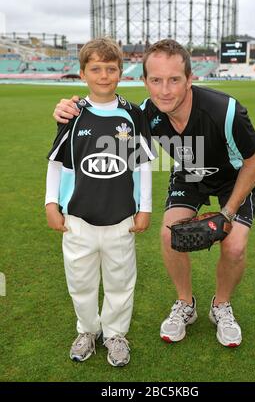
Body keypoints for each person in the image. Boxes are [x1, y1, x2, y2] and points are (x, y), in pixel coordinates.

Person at [53, 39, 255, 348]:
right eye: (156, 80)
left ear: (190, 79)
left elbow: (254, 161)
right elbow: (107, 121)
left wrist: (227, 213)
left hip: (234, 178)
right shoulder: (145, 115)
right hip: (191, 173)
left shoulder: (225, 111)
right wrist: (68, 108)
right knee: (169, 235)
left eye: (174, 80)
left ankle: (221, 306)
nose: (165, 90)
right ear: (144, 80)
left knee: (233, 246)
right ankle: (185, 304)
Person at [46, 37, 155, 367]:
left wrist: (145, 207)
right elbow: (57, 162)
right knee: (80, 281)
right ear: (83, 73)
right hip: (78, 219)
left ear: (122, 72)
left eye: (111, 68)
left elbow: (143, 164)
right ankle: (87, 330)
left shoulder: (133, 114)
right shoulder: (73, 114)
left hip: (121, 218)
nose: (104, 75)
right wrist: (51, 203)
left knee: (121, 282)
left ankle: (115, 334)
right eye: (96, 69)